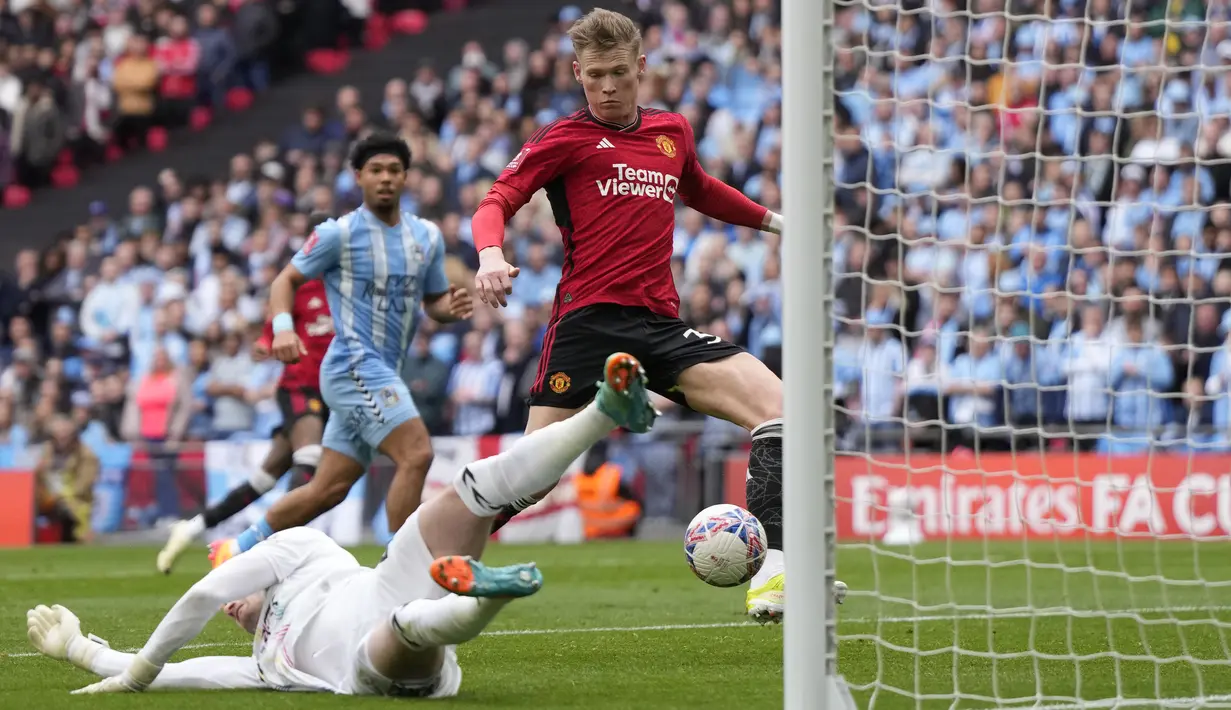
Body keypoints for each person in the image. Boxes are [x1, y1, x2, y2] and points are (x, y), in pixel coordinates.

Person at [469, 7, 827, 623]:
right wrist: (490, 254)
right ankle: (418, 557)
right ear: (578, 72)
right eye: (594, 76)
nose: (607, 87)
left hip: (661, 326)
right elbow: (497, 199)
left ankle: (775, 577)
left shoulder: (671, 132)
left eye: (619, 74)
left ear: (641, 67)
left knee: (782, 411)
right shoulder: (565, 139)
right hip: (589, 322)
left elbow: (700, 188)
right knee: (530, 479)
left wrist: (776, 222)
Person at [26, 353, 656, 697]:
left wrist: (131, 677)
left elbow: (204, 592)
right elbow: (182, 672)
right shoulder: (260, 663)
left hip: (388, 580)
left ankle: (604, 409)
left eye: (237, 588)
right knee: (407, 629)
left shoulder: (297, 549)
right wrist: (84, 652)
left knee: (475, 489)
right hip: (368, 660)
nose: (229, 608)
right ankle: (481, 593)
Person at [208, 132, 473, 568]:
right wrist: (281, 330)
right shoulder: (338, 234)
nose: (385, 178)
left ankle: (236, 549)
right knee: (417, 453)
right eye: (376, 171)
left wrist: (451, 306)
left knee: (327, 490)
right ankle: (403, 570)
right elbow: (283, 282)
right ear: (359, 178)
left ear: (406, 177)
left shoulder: (426, 237)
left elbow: (433, 303)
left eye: (394, 170)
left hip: (383, 371)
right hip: (353, 365)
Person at [156, 214, 336, 574]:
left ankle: (192, 528)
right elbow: (272, 331)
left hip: (331, 391)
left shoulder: (347, 288)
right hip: (299, 387)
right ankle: (278, 547)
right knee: (311, 459)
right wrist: (265, 344)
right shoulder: (297, 285)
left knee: (267, 476)